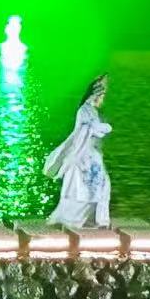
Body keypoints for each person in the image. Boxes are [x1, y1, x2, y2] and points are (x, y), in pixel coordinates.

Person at [43, 74, 113, 229]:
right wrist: (104, 128)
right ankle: (78, 220)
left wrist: (100, 128)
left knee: (101, 186)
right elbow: (86, 129)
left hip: (92, 156)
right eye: (102, 95)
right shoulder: (84, 110)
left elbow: (93, 128)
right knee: (82, 190)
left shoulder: (91, 110)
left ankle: (96, 220)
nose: (103, 99)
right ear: (96, 95)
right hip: (83, 156)